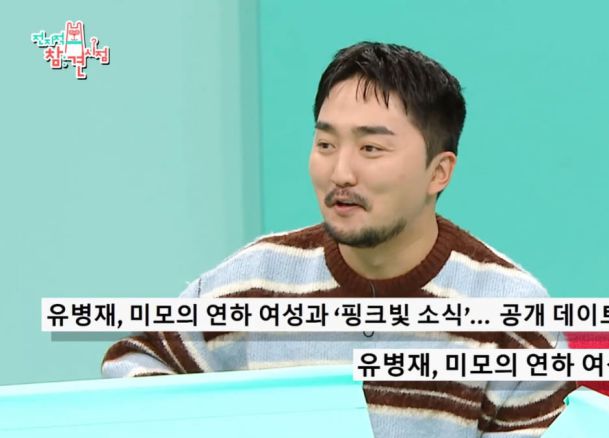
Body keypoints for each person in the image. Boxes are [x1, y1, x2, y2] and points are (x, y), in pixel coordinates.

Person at [102, 41, 575, 437]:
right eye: (326, 144)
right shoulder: (253, 282)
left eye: (371, 148)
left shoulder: (512, 315)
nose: (340, 172)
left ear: (439, 172)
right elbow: (134, 366)